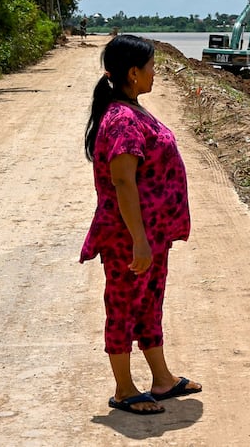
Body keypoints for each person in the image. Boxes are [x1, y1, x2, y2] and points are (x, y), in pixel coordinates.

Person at [81, 34, 201, 415]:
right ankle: (123, 389)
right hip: (128, 238)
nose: (155, 74)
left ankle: (162, 379)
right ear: (133, 73)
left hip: (152, 235)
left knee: (149, 305)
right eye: (151, 67)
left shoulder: (132, 109)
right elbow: (122, 182)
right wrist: (139, 241)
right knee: (123, 307)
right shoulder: (121, 120)